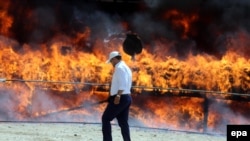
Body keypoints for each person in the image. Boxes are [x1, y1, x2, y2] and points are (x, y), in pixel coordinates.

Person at [102, 51, 132, 141]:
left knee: (106, 119)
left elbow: (122, 84)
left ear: (114, 59)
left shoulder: (119, 68)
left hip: (120, 98)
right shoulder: (126, 67)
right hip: (126, 97)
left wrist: (117, 96)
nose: (111, 63)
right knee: (123, 122)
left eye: (111, 61)